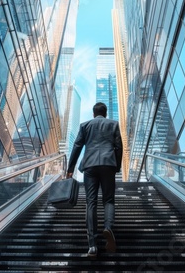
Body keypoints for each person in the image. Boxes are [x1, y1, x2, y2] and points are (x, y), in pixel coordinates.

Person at [66, 102, 123, 257]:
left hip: (90, 165)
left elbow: (77, 146)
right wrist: (116, 167)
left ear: (93, 113)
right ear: (105, 113)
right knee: (109, 200)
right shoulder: (113, 124)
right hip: (108, 164)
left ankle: (92, 246)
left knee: (91, 202)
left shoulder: (85, 125)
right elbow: (119, 146)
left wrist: (70, 169)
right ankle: (108, 228)